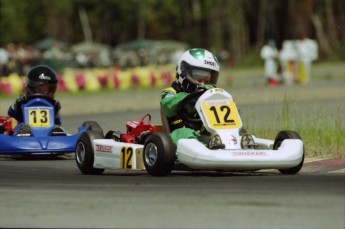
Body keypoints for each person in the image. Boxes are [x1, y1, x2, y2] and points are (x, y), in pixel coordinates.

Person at [160, 48, 220, 147]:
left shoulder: (209, 97)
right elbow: (167, 106)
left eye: (207, 80)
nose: (203, 84)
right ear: (184, 72)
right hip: (176, 138)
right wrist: (193, 98)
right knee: (186, 133)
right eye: (199, 78)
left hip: (204, 136)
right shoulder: (170, 93)